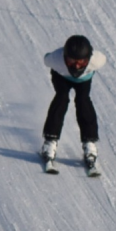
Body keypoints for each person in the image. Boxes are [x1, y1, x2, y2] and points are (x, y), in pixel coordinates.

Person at [41, 35, 106, 171]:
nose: (76, 66)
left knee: (83, 100)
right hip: (61, 77)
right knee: (61, 98)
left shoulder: (97, 60)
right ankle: (50, 139)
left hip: (84, 80)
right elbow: (46, 58)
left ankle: (89, 141)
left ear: (89, 58)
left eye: (81, 62)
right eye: (71, 61)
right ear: (64, 57)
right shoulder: (56, 59)